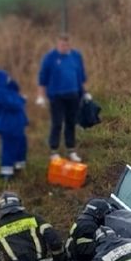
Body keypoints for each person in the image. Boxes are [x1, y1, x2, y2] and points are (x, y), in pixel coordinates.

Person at [36, 32, 89, 163]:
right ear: (57, 44)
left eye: (66, 45)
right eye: (61, 45)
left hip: (74, 94)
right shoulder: (49, 58)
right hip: (56, 96)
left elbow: (80, 76)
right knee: (57, 123)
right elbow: (43, 78)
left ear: (69, 44)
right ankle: (54, 150)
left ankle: (71, 149)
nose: (64, 47)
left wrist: (85, 92)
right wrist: (41, 95)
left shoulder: (76, 56)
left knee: (71, 122)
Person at [0, 69, 28, 181]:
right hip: (7, 125)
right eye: (6, 78)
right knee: (9, 147)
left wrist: (14, 85)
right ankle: (6, 172)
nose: (8, 79)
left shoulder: (7, 89)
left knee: (21, 144)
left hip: (16, 124)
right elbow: (13, 104)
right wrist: (22, 99)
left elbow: (15, 92)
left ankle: (19, 165)